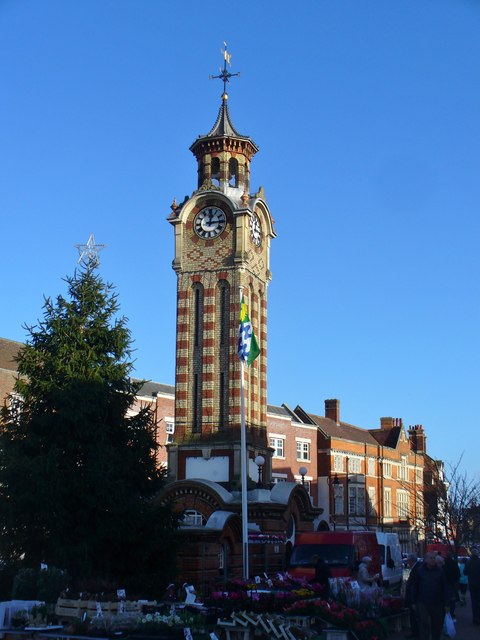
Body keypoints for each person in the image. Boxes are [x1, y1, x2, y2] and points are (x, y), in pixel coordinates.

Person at [410, 551, 449, 640]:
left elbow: (444, 587)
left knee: (437, 624)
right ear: (426, 560)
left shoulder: (440, 571)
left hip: (437, 602)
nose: (432, 560)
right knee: (424, 624)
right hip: (423, 601)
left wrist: (447, 603)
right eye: (430, 558)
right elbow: (415, 586)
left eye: (434, 558)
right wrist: (413, 601)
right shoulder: (420, 571)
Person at [404, 553, 421, 638]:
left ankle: (416, 633)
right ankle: (415, 632)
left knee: (415, 616)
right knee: (414, 616)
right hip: (414, 596)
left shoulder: (416, 569)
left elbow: (414, 585)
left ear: (411, 561)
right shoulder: (416, 568)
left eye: (408, 560)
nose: (407, 562)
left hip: (415, 597)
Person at [464, 546, 480, 625]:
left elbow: (465, 572)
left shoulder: (468, 562)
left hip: (472, 583)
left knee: (474, 601)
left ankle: (475, 618)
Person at [443, 552, 460, 620]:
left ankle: (446, 614)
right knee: (452, 599)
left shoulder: (443, 564)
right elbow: (458, 574)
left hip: (445, 584)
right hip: (452, 584)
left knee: (445, 599)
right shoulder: (454, 563)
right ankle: (451, 613)